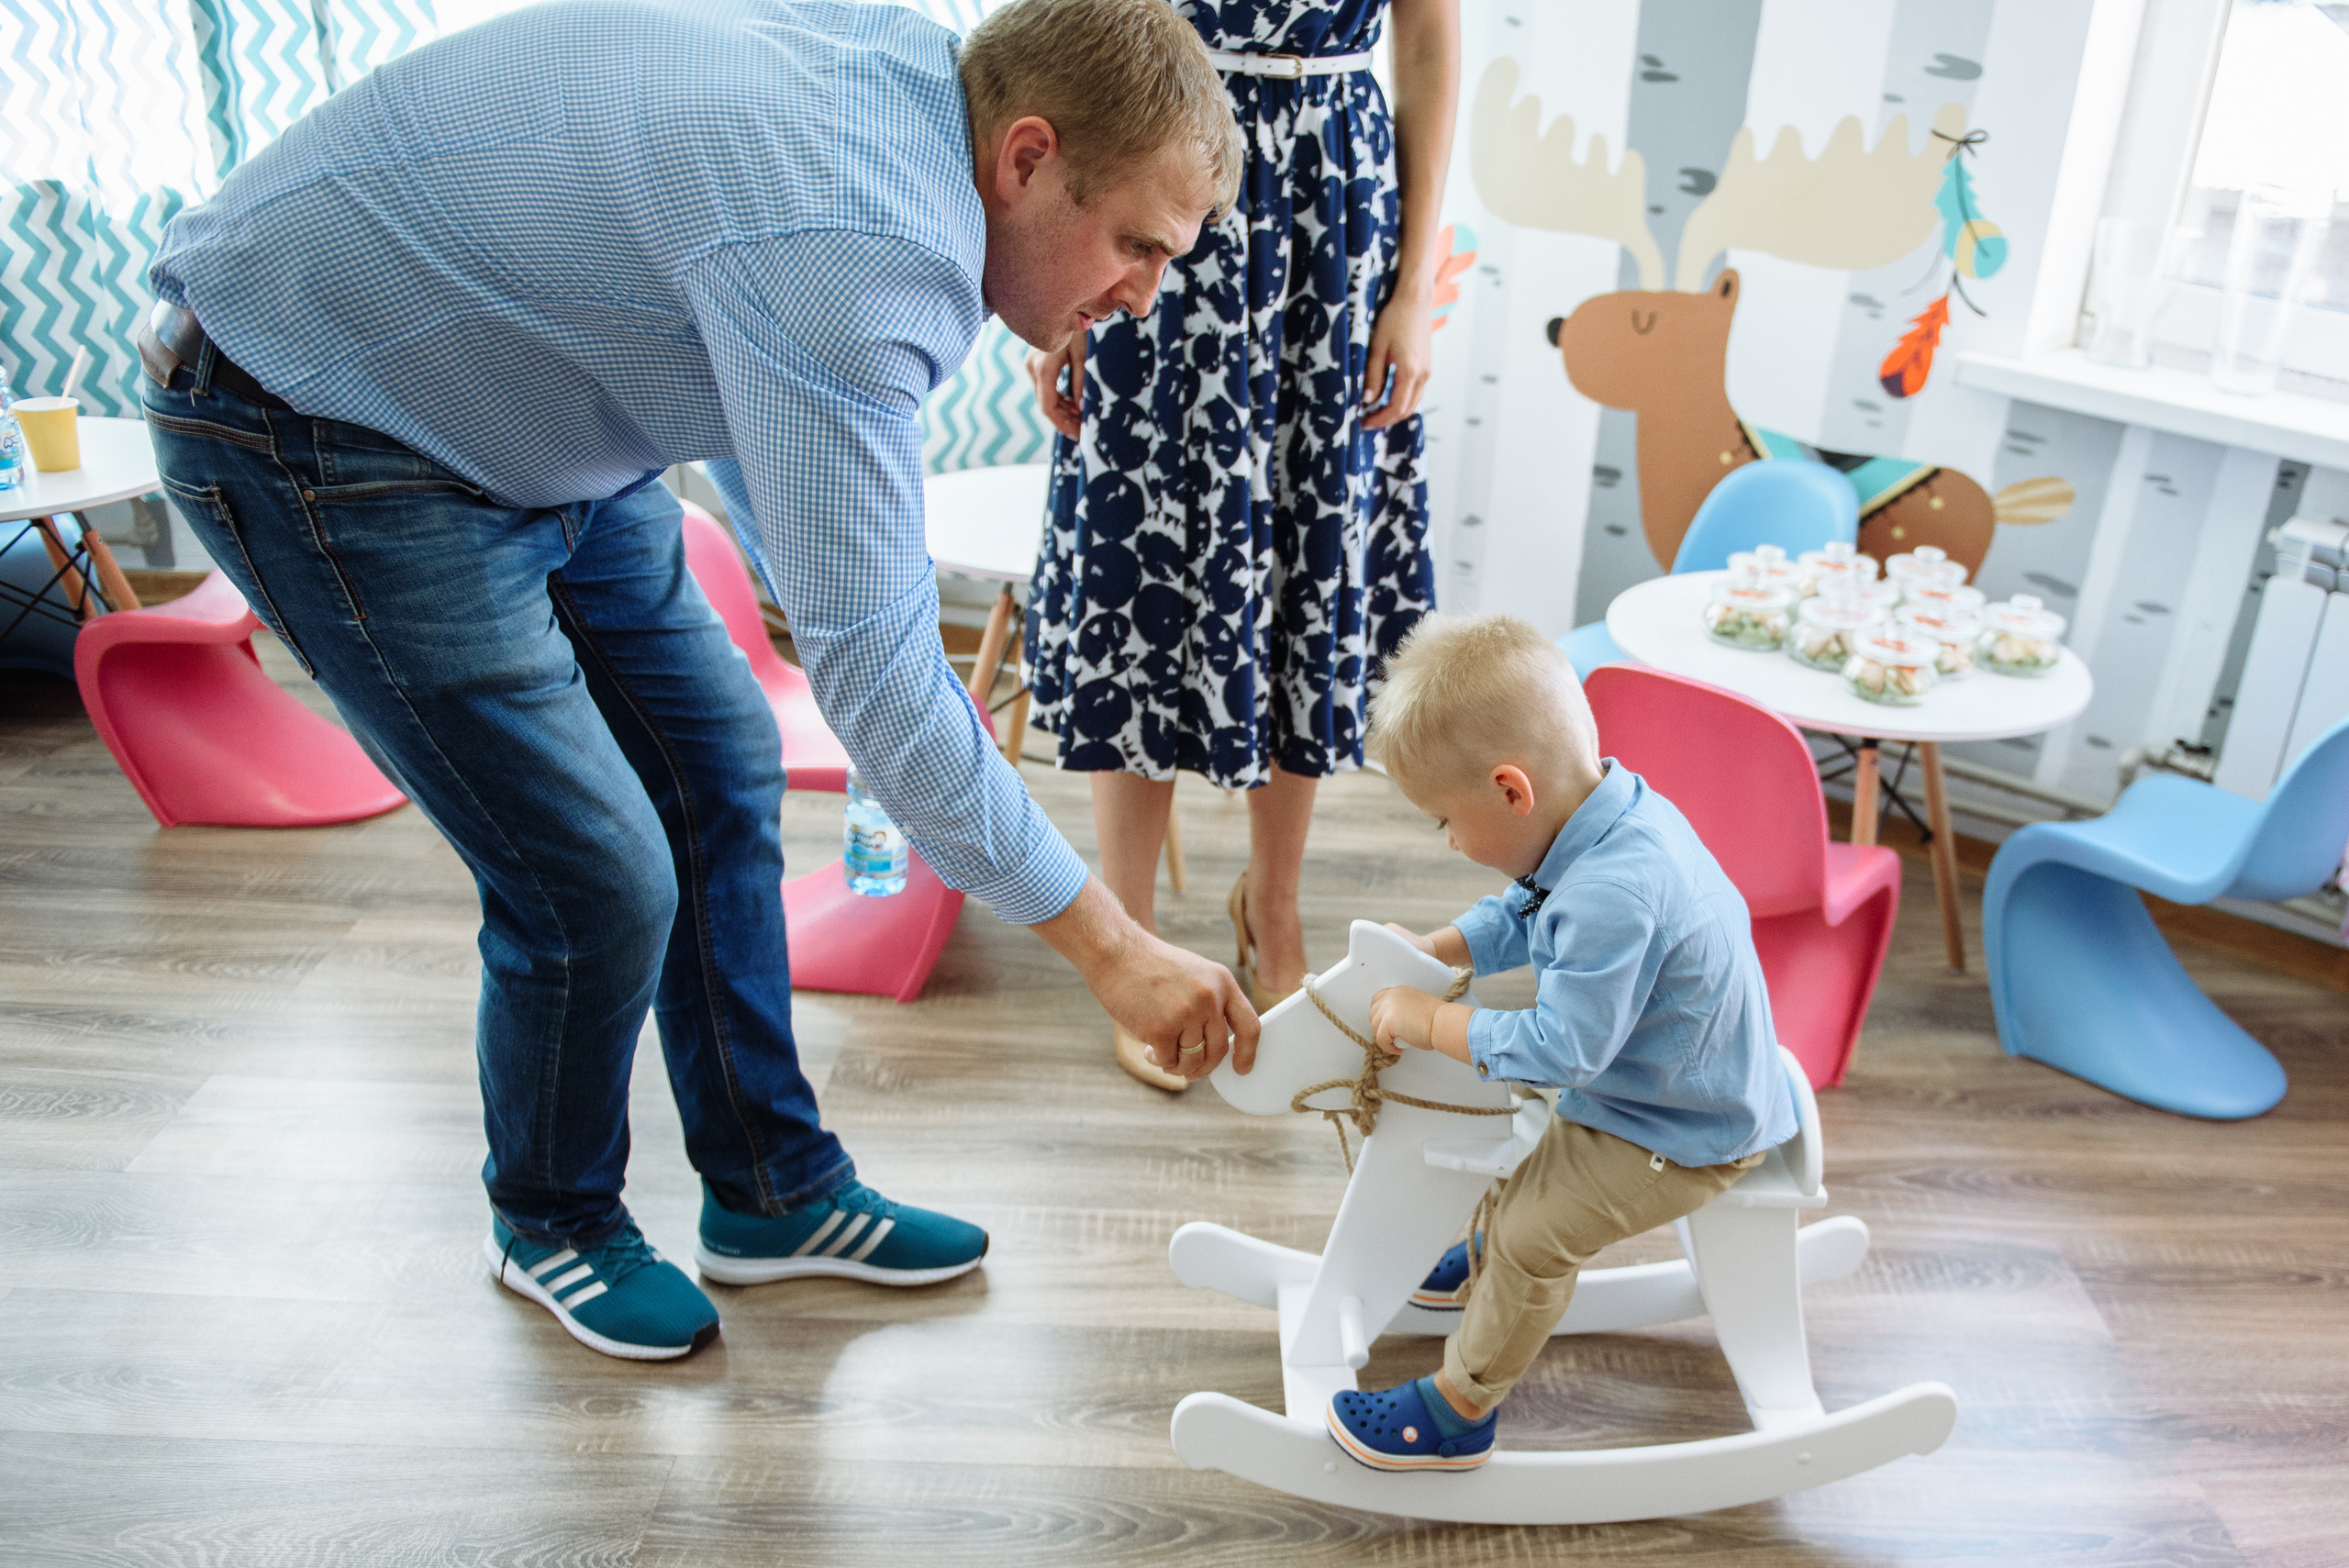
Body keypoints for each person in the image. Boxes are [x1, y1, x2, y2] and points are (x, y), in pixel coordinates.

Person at [135, 0, 1258, 1364]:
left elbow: (756, 363)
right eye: (1135, 242)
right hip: (318, 410)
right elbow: (888, 680)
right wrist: (1113, 949)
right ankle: (551, 1218)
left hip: (530, 397)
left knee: (716, 765)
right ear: (1026, 158)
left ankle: (771, 1193)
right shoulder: (861, 248)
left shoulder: (914, 85)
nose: (1145, 291)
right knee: (594, 875)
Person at [1023, 0, 1459, 1091]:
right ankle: (1126, 936)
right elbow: (1085, 31)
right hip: (1153, 169)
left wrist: (1412, 284)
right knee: (1138, 561)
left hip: (1332, 210)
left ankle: (1271, 906)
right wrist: (1058, 301)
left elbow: (1428, 42)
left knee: (1307, 550)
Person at [1327, 615, 1797, 1470]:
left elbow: (1562, 1049)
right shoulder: (1605, 813)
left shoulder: (1616, 888)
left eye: (1443, 820)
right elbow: (1523, 907)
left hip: (1680, 1126)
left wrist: (1435, 1021)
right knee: (1517, 1160)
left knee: (1534, 1232)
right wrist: (1442, 950)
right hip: (1654, 1076)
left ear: (1512, 791)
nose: (1449, 840)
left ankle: (1461, 1408)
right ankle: (1483, 1256)